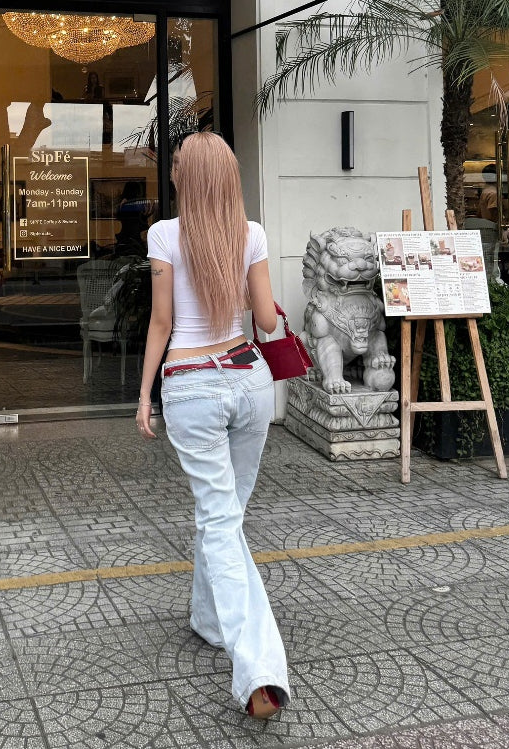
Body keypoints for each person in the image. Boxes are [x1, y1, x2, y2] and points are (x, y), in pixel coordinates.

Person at [135, 131, 290, 719]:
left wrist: (144, 394)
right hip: (249, 382)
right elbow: (268, 323)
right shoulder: (251, 234)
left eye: (177, 164)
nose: (173, 170)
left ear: (188, 177)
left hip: (192, 385)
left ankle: (259, 670)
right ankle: (208, 618)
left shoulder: (163, 234)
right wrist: (248, 295)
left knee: (220, 520)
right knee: (226, 516)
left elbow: (161, 321)